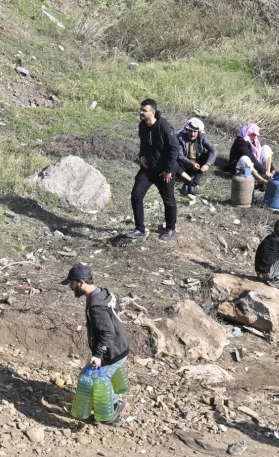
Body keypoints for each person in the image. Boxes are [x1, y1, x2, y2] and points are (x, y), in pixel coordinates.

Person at [62, 265, 129, 424]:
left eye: (71, 283)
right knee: (92, 378)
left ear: (81, 282)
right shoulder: (104, 293)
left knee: (95, 380)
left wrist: (98, 355)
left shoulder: (96, 306)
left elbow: (108, 333)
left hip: (112, 352)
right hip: (119, 346)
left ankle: (113, 409)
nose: (70, 287)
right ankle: (111, 413)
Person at [126, 98, 178, 242]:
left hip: (164, 171)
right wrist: (141, 155)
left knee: (168, 200)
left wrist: (168, 170)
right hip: (148, 170)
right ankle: (139, 229)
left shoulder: (164, 127)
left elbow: (175, 149)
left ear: (153, 112)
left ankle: (170, 228)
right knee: (136, 195)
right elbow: (143, 143)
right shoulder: (142, 126)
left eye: (144, 110)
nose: (141, 112)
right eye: (140, 109)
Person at [173, 117, 217, 196]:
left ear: (198, 132)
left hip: (197, 163)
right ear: (187, 130)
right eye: (190, 131)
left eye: (195, 132)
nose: (192, 134)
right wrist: (191, 164)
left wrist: (207, 164)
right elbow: (180, 156)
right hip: (185, 163)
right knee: (174, 161)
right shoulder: (180, 137)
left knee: (208, 156)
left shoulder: (202, 137)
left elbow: (214, 151)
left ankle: (194, 179)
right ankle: (193, 182)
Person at [226, 123, 274, 187]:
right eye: (253, 134)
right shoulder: (240, 141)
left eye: (256, 135)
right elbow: (251, 157)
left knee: (266, 147)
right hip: (238, 168)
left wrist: (272, 169)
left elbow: (261, 153)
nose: (255, 136)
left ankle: (267, 176)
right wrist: (264, 171)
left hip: (252, 167)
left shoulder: (254, 140)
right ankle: (261, 179)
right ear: (248, 132)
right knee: (245, 159)